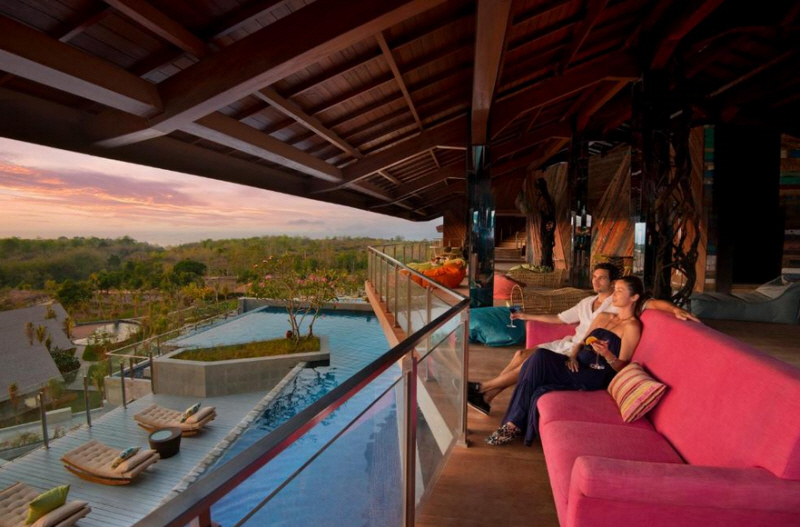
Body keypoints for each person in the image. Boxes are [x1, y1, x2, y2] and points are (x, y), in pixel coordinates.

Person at [467, 263, 698, 415]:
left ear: (613, 282)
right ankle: (487, 395)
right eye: (595, 277)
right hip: (570, 343)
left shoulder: (618, 303)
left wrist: (675, 309)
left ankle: (484, 389)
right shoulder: (587, 302)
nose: (596, 281)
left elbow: (652, 303)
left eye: (602, 278)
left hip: (581, 354)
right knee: (520, 354)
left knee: (529, 360)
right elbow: (559, 318)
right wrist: (526, 316)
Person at [486, 276, 646, 446]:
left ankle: (512, 424)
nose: (614, 294)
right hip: (578, 362)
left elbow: (621, 366)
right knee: (539, 355)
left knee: (535, 367)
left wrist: (607, 354)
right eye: (615, 289)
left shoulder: (632, 327)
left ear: (634, 297)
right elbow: (582, 342)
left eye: (620, 290)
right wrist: (572, 356)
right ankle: (514, 422)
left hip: (595, 373)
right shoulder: (603, 316)